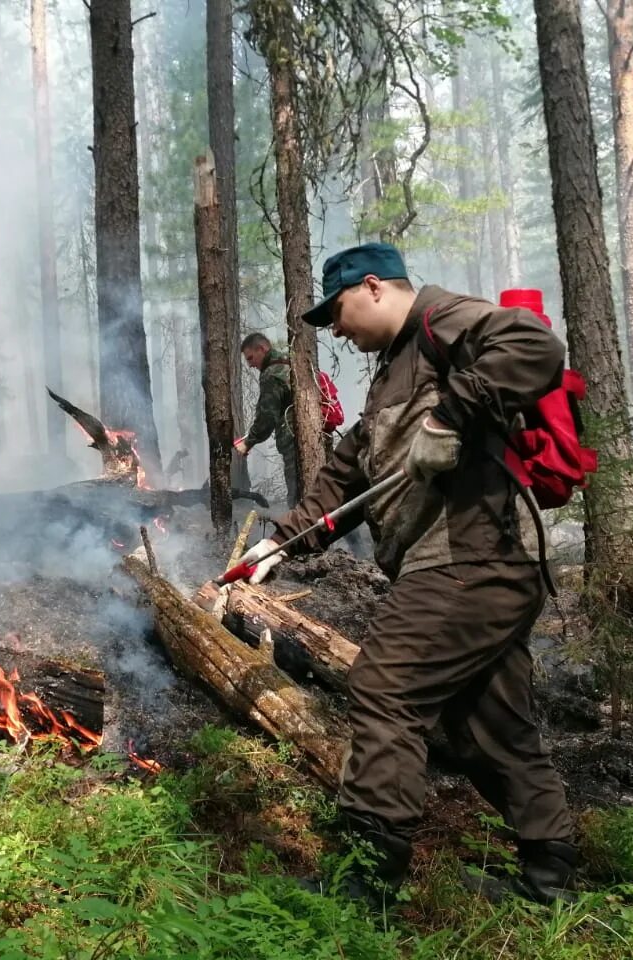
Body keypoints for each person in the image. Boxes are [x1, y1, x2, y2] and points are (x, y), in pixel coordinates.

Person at [235, 242, 576, 906]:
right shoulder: (394, 370)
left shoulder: (442, 319)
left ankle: (369, 874)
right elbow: (349, 471)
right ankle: (549, 873)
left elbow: (536, 346)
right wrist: (280, 542)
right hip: (471, 568)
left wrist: (452, 414)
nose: (334, 330)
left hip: (469, 563)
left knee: (384, 687)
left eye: (335, 314)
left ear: (372, 288)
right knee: (489, 726)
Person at [235, 332, 299, 503]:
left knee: (298, 496)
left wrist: (248, 442)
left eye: (250, 358)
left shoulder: (271, 374)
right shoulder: (290, 360)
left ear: (262, 349)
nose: (250, 365)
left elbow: (267, 417)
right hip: (316, 439)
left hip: (296, 443)